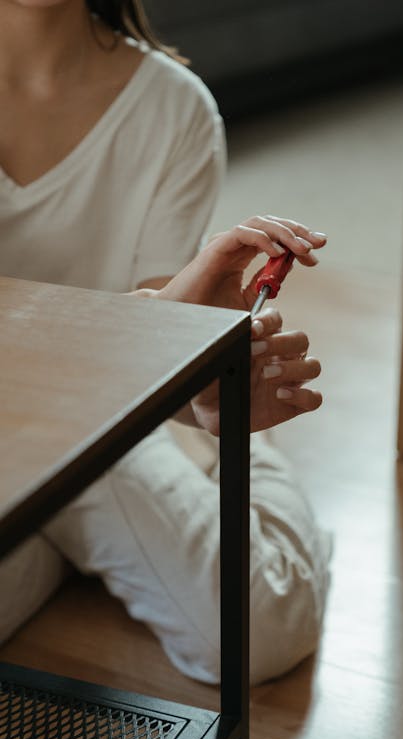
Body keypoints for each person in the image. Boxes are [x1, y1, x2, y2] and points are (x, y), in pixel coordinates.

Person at [0, 0, 332, 684]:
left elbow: (149, 363)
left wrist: (200, 374)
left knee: (257, 632)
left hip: (103, 421)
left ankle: (243, 460)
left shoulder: (173, 109)